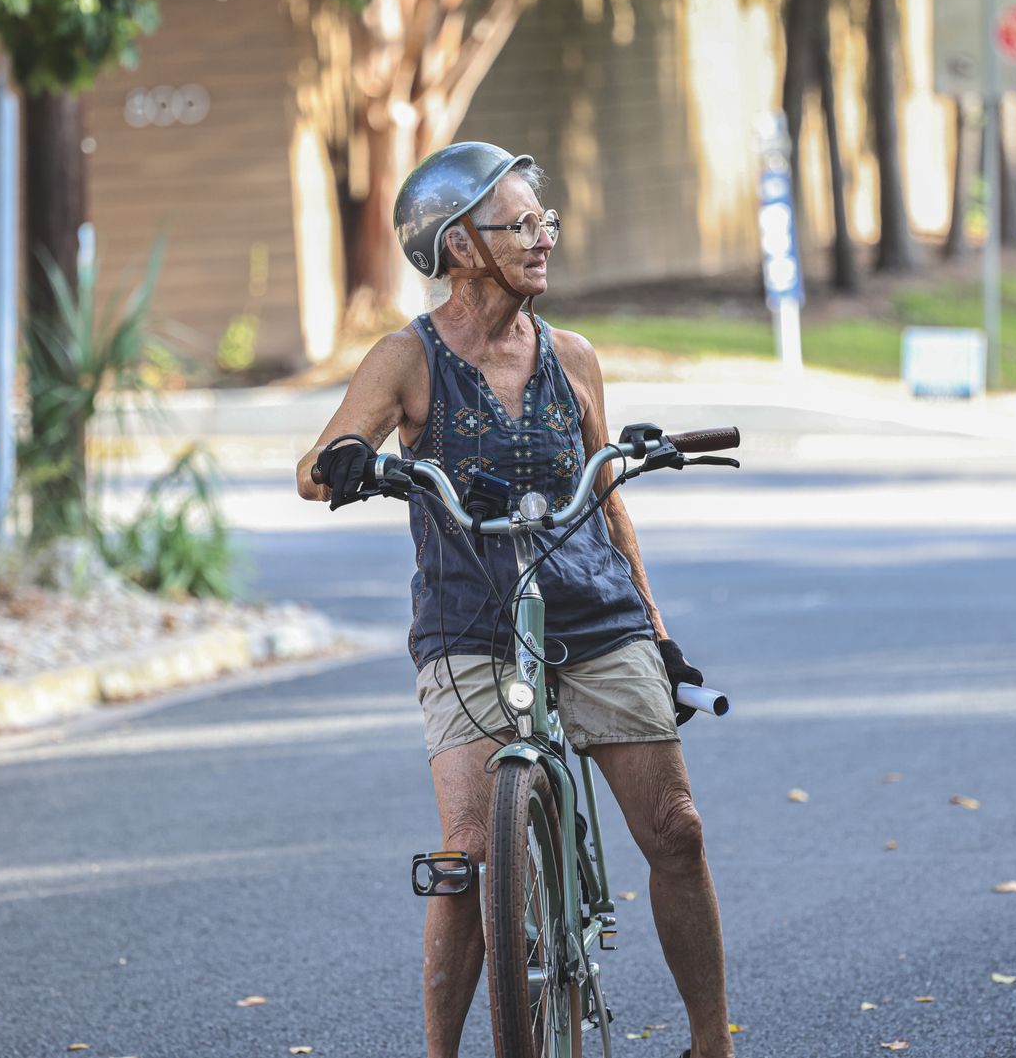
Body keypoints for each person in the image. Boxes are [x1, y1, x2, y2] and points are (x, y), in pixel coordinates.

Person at [296, 142, 734, 1058]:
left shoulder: (571, 358)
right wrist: (345, 462)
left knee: (678, 830)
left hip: (593, 614)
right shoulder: (407, 358)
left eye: (547, 223)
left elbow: (608, 494)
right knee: (464, 852)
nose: (543, 241)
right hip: (470, 627)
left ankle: (710, 1044)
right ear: (459, 246)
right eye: (521, 225)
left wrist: (654, 629)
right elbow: (317, 462)